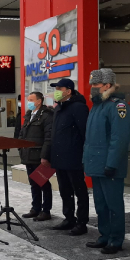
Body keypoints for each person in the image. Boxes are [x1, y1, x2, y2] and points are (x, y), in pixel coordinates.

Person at [83, 68, 130, 254]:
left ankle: (116, 239)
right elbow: (91, 139)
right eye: (92, 84)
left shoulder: (118, 106)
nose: (93, 88)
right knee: (101, 205)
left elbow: (119, 139)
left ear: (108, 85)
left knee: (113, 205)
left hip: (109, 166)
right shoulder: (96, 106)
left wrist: (111, 163)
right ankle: (104, 236)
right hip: (96, 165)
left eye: (96, 84)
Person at [48, 78, 90, 235]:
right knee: (65, 190)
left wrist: (84, 155)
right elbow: (54, 134)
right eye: (55, 88)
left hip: (74, 157)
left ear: (68, 91)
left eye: (59, 88)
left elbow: (84, 132)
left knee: (79, 190)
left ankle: (82, 221)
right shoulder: (59, 108)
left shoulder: (78, 108)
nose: (56, 91)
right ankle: (69, 218)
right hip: (59, 157)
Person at [20, 91, 54, 221]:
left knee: (43, 183)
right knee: (33, 183)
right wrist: (20, 148)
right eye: (28, 99)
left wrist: (45, 155)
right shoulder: (28, 115)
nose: (29, 102)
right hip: (28, 154)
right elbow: (22, 133)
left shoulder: (46, 116)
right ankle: (36, 208)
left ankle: (46, 210)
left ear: (39, 101)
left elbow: (48, 137)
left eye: (31, 100)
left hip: (39, 156)